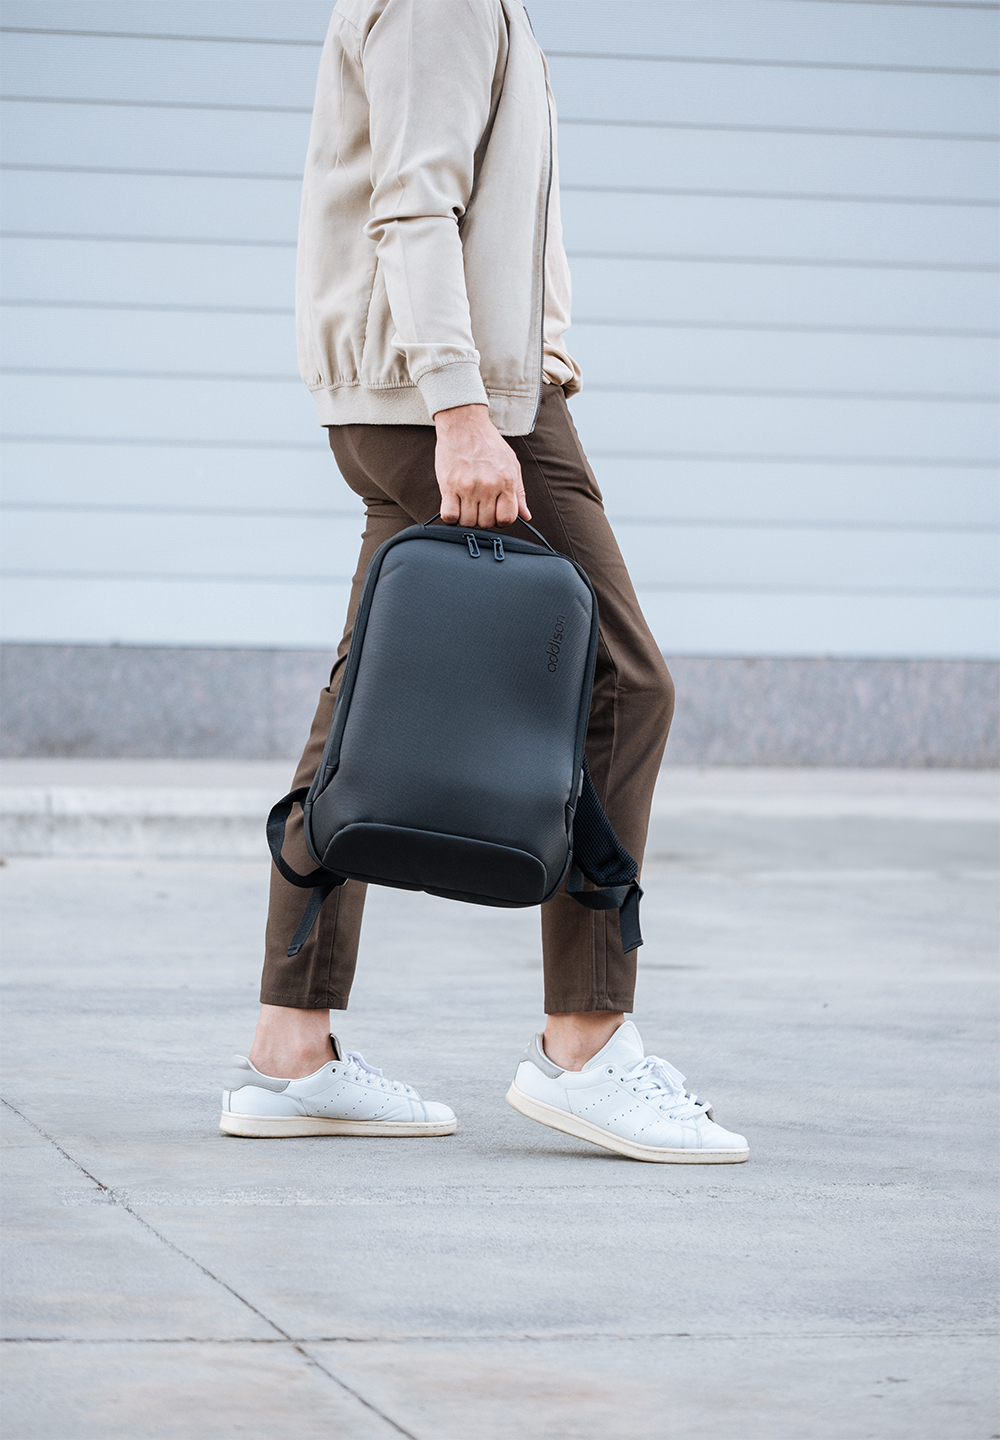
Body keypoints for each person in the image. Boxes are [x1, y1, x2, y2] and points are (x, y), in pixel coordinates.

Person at [220, 0, 748, 1164]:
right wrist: (464, 406)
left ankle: (288, 1048)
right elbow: (414, 204)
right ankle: (584, 1044)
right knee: (620, 685)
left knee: (359, 722)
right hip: (458, 403)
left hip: (429, 396)